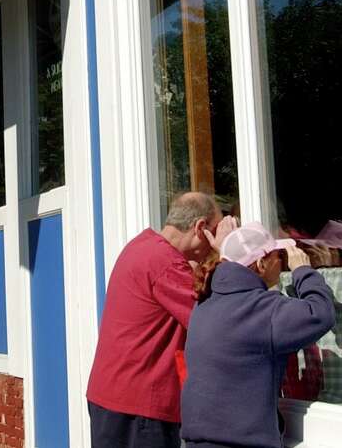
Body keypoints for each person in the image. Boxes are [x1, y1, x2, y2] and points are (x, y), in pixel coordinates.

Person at [87, 192, 237, 448]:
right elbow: (218, 323)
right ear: (200, 228)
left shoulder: (141, 246)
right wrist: (229, 254)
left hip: (112, 396)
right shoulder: (166, 264)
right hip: (140, 408)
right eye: (215, 233)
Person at [181, 222, 336, 448]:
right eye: (278, 256)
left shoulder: (205, 303)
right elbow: (321, 314)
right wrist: (303, 272)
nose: (282, 263)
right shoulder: (261, 309)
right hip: (239, 442)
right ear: (261, 263)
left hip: (199, 440)